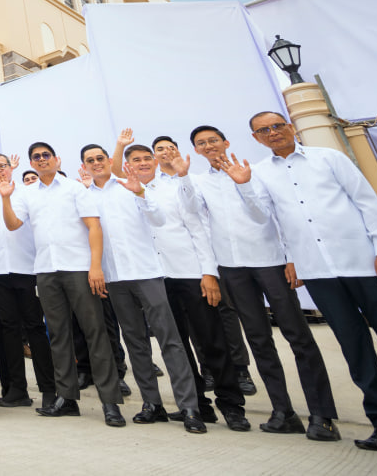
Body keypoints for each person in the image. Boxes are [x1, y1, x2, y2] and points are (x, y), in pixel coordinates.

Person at [246, 111, 377, 463]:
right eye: (263, 130)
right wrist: (242, 185)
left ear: (290, 128)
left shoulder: (329, 158)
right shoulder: (260, 173)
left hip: (364, 263)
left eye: (278, 125)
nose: (273, 132)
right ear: (257, 138)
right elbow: (264, 218)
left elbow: (367, 202)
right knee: (355, 350)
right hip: (319, 271)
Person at [187, 123, 339, 441]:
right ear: (197, 150)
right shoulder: (198, 182)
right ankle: (282, 411)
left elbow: (268, 215)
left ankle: (322, 416)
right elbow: (196, 222)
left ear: (226, 142)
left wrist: (291, 256)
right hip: (232, 268)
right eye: (202, 143)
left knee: (298, 336)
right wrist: (210, 271)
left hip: (270, 263)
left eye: (213, 140)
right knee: (258, 340)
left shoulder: (255, 171)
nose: (209, 146)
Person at [120, 136, 249, 431]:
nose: (142, 164)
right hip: (155, 278)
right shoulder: (124, 193)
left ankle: (231, 405)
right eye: (135, 160)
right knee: (177, 347)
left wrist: (208, 272)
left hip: (189, 273)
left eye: (146, 159)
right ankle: (198, 405)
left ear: (155, 161)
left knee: (211, 341)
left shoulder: (176, 185)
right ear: (128, 166)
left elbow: (198, 226)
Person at [78, 144, 204, 433]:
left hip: (147, 273)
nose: (97, 163)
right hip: (114, 278)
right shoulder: (84, 196)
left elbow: (158, 219)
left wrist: (140, 193)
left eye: (101, 158)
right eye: (90, 160)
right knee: (135, 343)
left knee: (169, 340)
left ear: (110, 161)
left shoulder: (129, 186)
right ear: (84, 165)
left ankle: (189, 408)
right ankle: (152, 404)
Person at [0, 141, 125, 427]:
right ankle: (67, 398)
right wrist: (6, 198)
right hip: (45, 271)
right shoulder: (26, 193)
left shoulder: (74, 188)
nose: (41, 160)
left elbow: (94, 226)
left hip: (79, 269)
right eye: (36, 157)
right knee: (58, 336)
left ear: (56, 159)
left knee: (95, 333)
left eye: (46, 155)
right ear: (32, 163)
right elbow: (12, 225)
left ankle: (110, 402)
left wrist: (96, 267)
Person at [0, 156, 54, 408]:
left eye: (2, 166)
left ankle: (49, 389)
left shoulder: (28, 192)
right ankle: (17, 389)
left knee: (36, 329)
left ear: (10, 168)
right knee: (8, 332)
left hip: (27, 269)